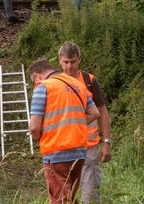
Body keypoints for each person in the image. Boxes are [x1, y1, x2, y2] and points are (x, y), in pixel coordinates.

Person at [28, 58, 99, 204]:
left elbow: (34, 127)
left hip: (56, 151)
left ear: (36, 76)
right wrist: (74, 126)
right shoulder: (77, 84)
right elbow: (94, 113)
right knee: (70, 199)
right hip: (79, 150)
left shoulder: (43, 86)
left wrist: (40, 136)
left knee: (60, 200)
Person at [58, 43, 112, 203]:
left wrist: (106, 142)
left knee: (90, 196)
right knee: (66, 196)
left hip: (88, 147)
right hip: (63, 147)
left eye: (73, 62)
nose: (69, 66)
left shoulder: (89, 80)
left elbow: (103, 112)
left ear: (79, 60)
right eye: (66, 62)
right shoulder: (53, 83)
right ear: (60, 60)